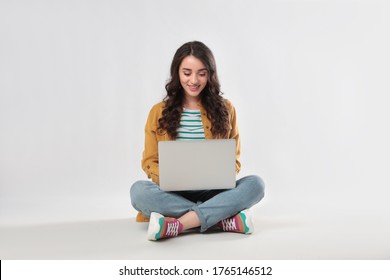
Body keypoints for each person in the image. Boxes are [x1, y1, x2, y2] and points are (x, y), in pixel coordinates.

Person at [130, 41, 265, 241]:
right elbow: (149, 161)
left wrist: (219, 175)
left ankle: (179, 223)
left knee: (256, 185)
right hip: (173, 193)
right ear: (177, 73)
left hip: (214, 191)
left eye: (201, 73)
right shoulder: (158, 112)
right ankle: (220, 219)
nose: (194, 80)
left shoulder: (227, 109)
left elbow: (234, 161)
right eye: (187, 73)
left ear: (210, 74)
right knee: (138, 191)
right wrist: (171, 176)